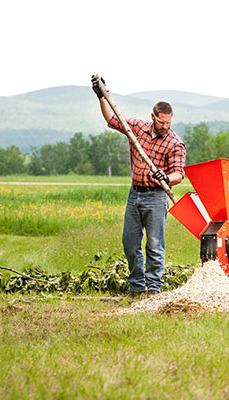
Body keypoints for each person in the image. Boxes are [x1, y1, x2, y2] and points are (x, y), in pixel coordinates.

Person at [91, 76, 186, 297]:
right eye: (161, 122)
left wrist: (166, 177)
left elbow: (179, 174)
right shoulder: (137, 128)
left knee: (154, 245)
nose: (165, 127)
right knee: (129, 242)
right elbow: (113, 119)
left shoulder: (174, 142)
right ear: (153, 117)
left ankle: (153, 288)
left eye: (168, 123)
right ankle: (136, 286)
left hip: (156, 197)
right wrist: (101, 97)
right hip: (135, 194)